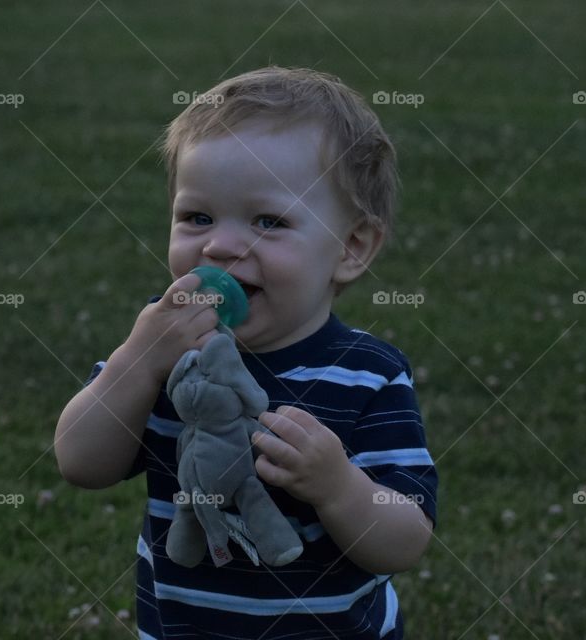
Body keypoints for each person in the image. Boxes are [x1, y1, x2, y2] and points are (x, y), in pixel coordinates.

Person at [54, 65, 438, 639]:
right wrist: (136, 363)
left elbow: (405, 538)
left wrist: (337, 486)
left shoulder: (367, 376)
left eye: (268, 221)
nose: (219, 244)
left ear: (351, 248)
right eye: (197, 217)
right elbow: (80, 463)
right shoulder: (166, 350)